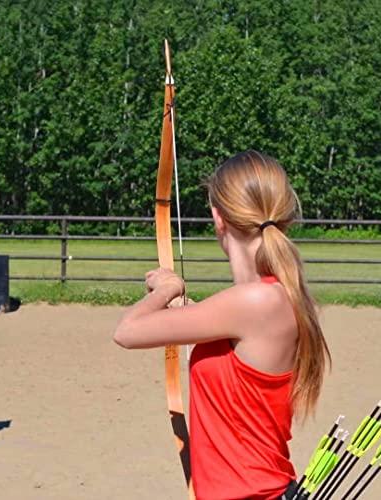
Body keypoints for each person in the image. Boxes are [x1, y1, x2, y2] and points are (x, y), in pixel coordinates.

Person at [113, 150, 331, 500]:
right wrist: (182, 305)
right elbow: (233, 346)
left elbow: (127, 331)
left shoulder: (253, 301)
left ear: (218, 217)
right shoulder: (271, 298)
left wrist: (167, 288)